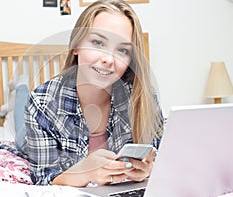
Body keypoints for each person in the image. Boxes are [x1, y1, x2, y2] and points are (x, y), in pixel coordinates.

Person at [19, 0, 164, 187]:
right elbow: (44, 179)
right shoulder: (41, 104)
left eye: (122, 50)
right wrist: (86, 171)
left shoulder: (143, 99)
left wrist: (149, 170)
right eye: (98, 42)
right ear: (76, 46)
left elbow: (161, 160)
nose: (108, 59)